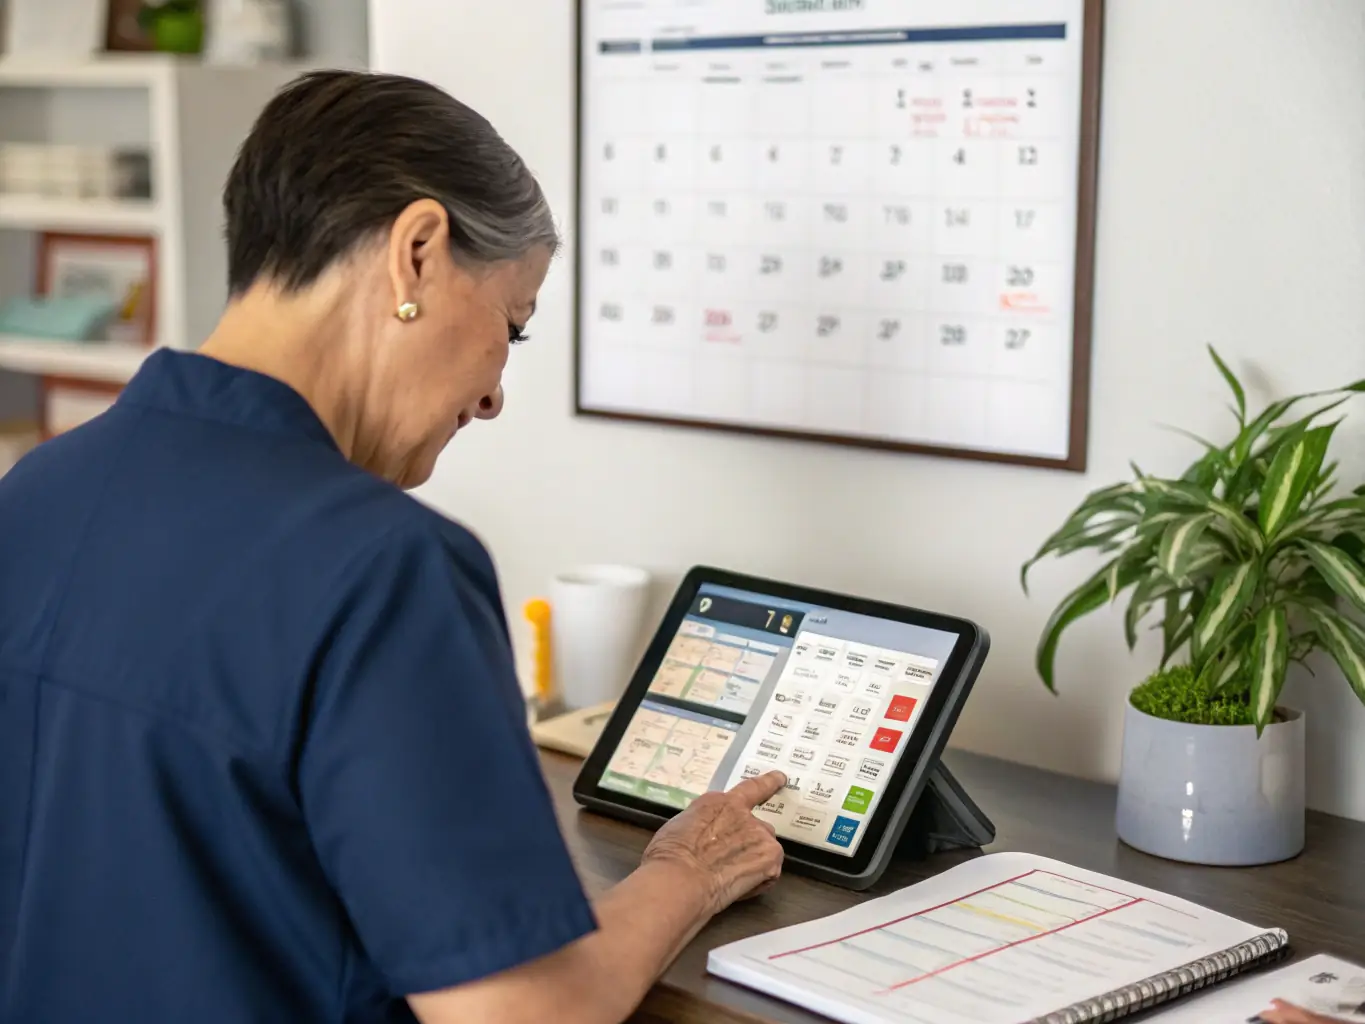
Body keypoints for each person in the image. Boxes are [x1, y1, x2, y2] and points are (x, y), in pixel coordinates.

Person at [0, 70, 785, 1024]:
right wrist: (683, 874)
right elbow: (518, 1014)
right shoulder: (381, 565)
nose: (496, 392)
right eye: (513, 325)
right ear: (416, 252)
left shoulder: (40, 487)